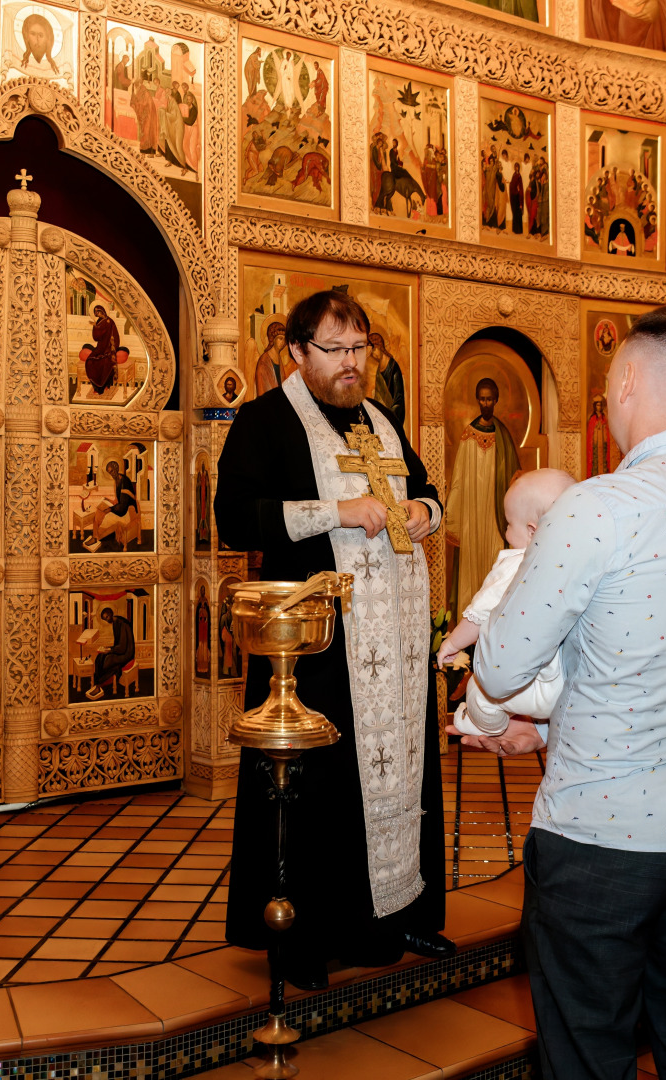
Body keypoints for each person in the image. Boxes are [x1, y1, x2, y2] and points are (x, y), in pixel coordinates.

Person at [471, 307, 666, 1080]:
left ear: (629, 380)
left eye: (608, 387)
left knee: (587, 1052)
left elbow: (503, 669)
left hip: (601, 833)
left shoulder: (598, 506)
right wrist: (547, 728)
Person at [214, 289, 451, 991]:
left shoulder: (380, 419)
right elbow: (235, 519)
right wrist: (336, 513)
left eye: (360, 349)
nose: (352, 365)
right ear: (296, 351)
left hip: (395, 646)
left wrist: (422, 511)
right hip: (315, 650)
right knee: (316, 790)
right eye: (335, 350)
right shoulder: (264, 421)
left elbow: (430, 492)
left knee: (398, 777)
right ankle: (303, 937)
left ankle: (394, 916)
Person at [437, 468, 576, 737]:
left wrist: (452, 643)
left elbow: (479, 614)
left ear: (533, 532)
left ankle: (485, 726)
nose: (506, 532)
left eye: (509, 524)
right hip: (576, 686)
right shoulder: (578, 562)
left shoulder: (519, 564)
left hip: (538, 686)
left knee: (480, 691)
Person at [445, 377, 518, 616]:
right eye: (482, 398)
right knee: (472, 562)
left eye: (489, 399)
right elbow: (458, 480)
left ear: (496, 400)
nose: (485, 403)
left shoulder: (504, 436)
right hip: (472, 514)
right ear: (478, 400)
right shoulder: (468, 435)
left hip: (495, 513)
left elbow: (514, 477)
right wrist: (454, 516)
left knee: (494, 561)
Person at [87, 607, 135, 700]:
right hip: (120, 650)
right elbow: (118, 644)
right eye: (105, 618)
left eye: (107, 617)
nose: (106, 619)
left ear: (111, 614)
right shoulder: (115, 623)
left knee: (109, 660)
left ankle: (100, 685)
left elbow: (123, 647)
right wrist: (108, 649)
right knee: (100, 657)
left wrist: (110, 650)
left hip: (127, 653)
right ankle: (97, 684)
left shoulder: (122, 624)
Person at [85, 304, 119, 394]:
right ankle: (97, 387)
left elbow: (113, 335)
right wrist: (95, 326)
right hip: (100, 347)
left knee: (105, 362)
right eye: (96, 312)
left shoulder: (109, 321)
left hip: (108, 348)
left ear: (103, 311)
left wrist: (96, 326)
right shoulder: (99, 321)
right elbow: (96, 338)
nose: (97, 314)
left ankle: (104, 387)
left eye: (99, 311)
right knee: (89, 361)